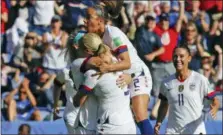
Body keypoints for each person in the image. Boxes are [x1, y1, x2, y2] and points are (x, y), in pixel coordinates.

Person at [84, 4, 153, 134]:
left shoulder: (112, 33)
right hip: (119, 76)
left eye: (88, 17)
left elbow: (127, 63)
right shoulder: (90, 36)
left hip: (136, 74)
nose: (84, 20)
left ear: (100, 21)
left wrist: (107, 67)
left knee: (139, 115)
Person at [73, 33, 136, 134]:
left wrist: (77, 96)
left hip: (108, 125)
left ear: (88, 51)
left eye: (79, 48)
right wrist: (129, 77)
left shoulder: (92, 74)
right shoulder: (118, 62)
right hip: (128, 123)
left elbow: (77, 102)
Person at [154, 45, 220, 134]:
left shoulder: (200, 79)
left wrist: (215, 106)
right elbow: (163, 105)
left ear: (189, 58)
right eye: (175, 56)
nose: (178, 59)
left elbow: (215, 99)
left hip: (195, 131)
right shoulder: (166, 82)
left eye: (181, 56)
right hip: (173, 131)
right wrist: (159, 122)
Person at [53, 31, 97, 134]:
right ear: (77, 47)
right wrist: (55, 105)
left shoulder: (96, 66)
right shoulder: (67, 71)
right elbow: (57, 83)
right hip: (73, 118)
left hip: (91, 119)